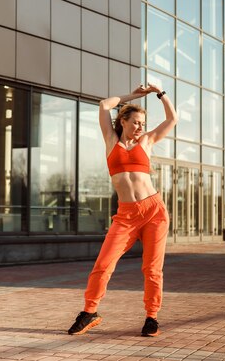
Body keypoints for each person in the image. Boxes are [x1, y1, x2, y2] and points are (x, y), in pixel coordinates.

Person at [67, 82, 178, 337]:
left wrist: (159, 92)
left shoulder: (148, 141)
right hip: (126, 215)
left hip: (153, 212)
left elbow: (173, 118)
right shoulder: (111, 140)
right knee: (103, 264)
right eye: (136, 122)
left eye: (143, 123)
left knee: (152, 268)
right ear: (124, 120)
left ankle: (152, 317)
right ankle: (89, 312)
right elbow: (104, 105)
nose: (140, 127)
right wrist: (135, 96)